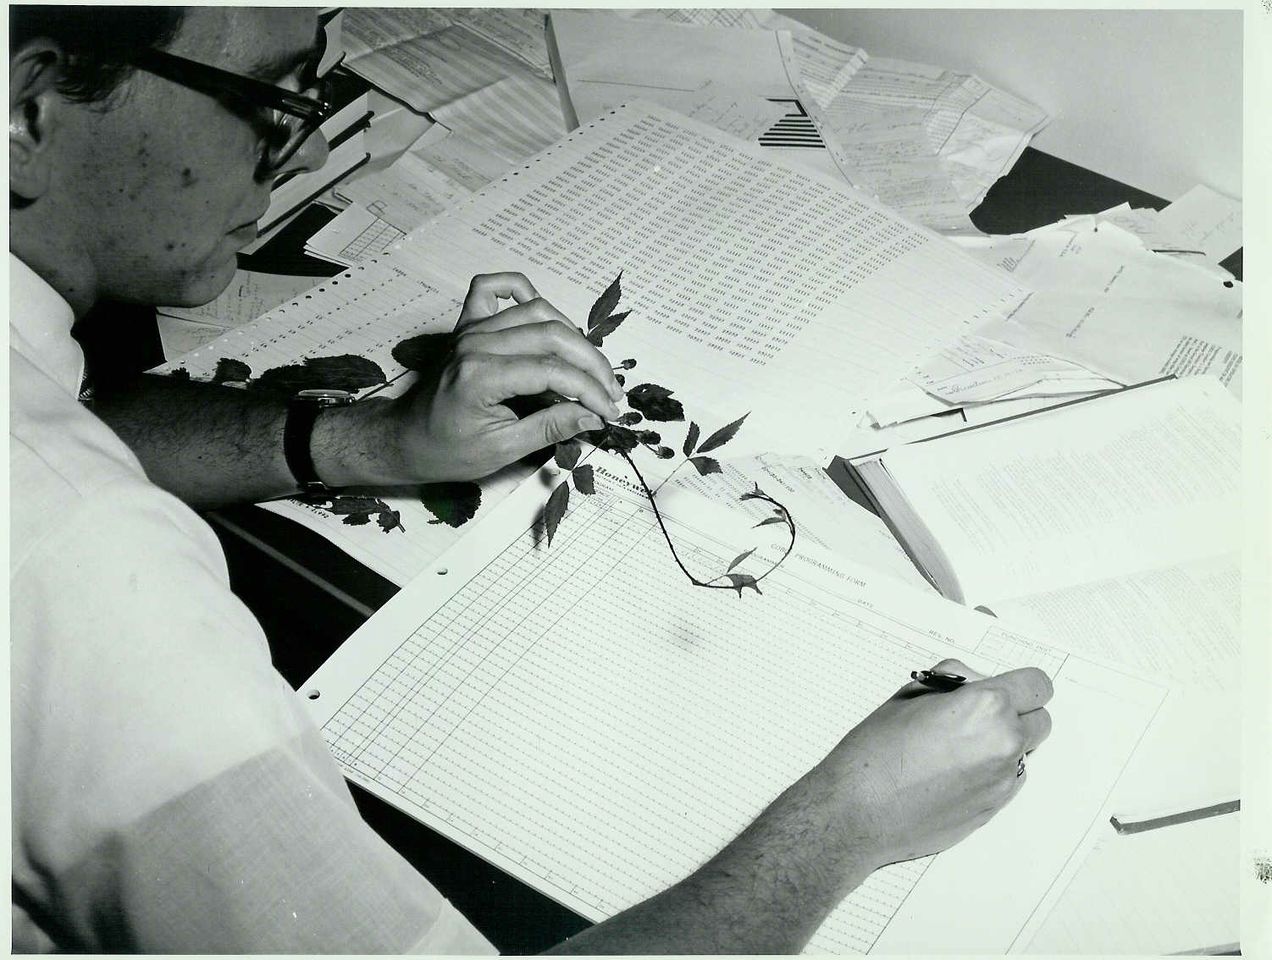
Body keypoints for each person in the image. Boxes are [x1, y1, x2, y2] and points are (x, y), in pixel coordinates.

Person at [9, 5, 1054, 953]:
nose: (314, 146)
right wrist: (846, 824)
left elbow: (74, 416)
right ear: (28, 102)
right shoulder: (86, 563)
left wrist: (377, 443)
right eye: (270, 105)